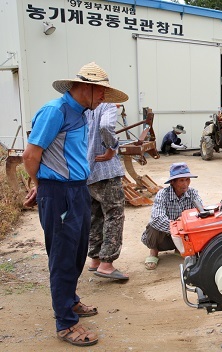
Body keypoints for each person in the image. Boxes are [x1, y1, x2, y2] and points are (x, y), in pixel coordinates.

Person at [22, 62, 128, 347]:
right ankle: (65, 323)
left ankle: (70, 301)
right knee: (63, 255)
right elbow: (30, 155)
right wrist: (41, 186)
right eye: (102, 92)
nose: (104, 98)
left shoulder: (80, 113)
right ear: (86, 88)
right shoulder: (55, 111)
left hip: (78, 189)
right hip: (59, 193)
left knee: (78, 250)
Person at [85, 103, 128, 281]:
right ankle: (106, 264)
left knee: (96, 215)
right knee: (114, 214)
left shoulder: (85, 108)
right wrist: (112, 147)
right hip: (106, 171)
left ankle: (95, 259)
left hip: (87, 170)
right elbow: (105, 126)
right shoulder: (108, 106)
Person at [141, 162, 203, 270]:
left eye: (187, 179)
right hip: (164, 236)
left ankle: (181, 249)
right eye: (181, 180)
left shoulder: (193, 193)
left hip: (182, 235)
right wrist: (177, 226)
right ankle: (154, 251)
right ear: (172, 182)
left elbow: (200, 212)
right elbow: (157, 218)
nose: (185, 184)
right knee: (153, 224)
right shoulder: (162, 194)